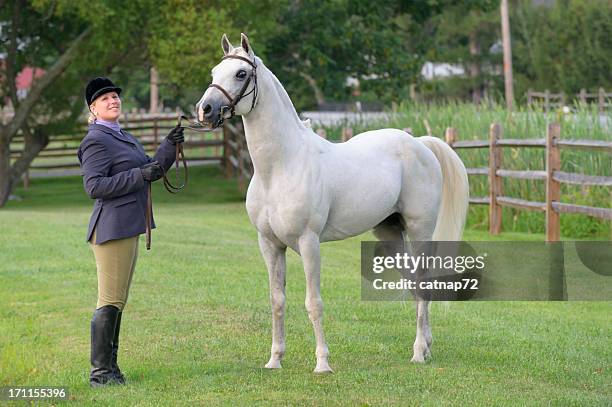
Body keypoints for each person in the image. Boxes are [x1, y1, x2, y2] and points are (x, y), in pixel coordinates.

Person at [77, 77, 184, 387]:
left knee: (117, 301)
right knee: (109, 300)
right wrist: (140, 174)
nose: (113, 100)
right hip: (111, 229)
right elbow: (94, 186)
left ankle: (111, 370)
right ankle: (100, 374)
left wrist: (170, 145)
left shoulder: (122, 136)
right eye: (105, 98)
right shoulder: (96, 139)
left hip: (127, 227)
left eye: (115, 96)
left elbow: (152, 168)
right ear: (93, 108)